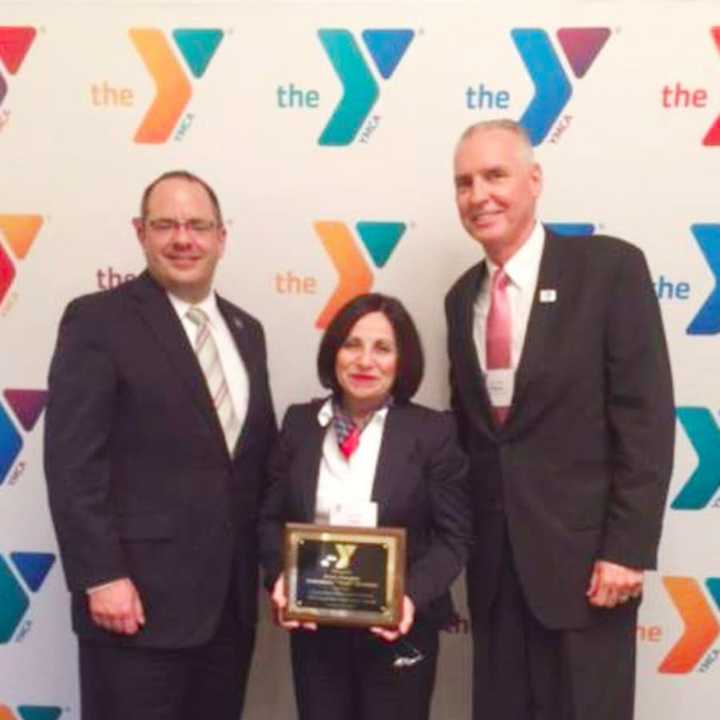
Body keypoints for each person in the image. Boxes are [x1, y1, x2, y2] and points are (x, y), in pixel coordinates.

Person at [445, 120, 675, 720]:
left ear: (534, 179)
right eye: (464, 182)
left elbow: (645, 417)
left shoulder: (608, 270)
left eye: (495, 175)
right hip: (496, 576)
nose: (479, 195)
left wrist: (627, 548)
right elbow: (474, 439)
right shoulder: (459, 297)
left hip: (588, 572)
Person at [44, 170, 277, 720]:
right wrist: (102, 577)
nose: (182, 239)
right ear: (140, 232)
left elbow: (247, 466)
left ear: (222, 236)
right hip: (134, 609)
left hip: (226, 610)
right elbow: (73, 464)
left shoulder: (249, 331)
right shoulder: (98, 320)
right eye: (165, 224)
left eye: (198, 225)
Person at [259, 292, 472, 720]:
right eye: (351, 344)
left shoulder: (433, 432)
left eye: (382, 348)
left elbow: (455, 537)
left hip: (401, 629)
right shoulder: (299, 424)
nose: (364, 361)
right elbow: (268, 518)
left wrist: (408, 596)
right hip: (316, 629)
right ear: (333, 352)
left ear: (402, 360)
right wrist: (281, 576)